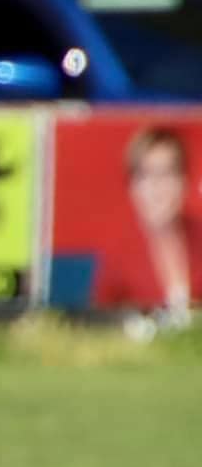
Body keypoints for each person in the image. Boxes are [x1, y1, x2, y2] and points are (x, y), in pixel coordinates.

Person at [93, 124, 200, 322]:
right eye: (146, 175)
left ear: (184, 181)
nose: (157, 188)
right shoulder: (118, 257)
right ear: (133, 188)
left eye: (167, 173)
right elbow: (101, 333)